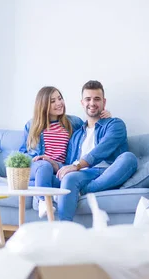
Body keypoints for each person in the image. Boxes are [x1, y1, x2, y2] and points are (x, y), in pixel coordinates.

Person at [54, 80, 139, 221]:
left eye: (97, 99)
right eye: (88, 99)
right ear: (82, 103)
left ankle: (79, 191)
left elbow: (101, 150)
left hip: (106, 171)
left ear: (104, 102)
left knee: (129, 158)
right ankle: (65, 231)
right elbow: (69, 163)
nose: (92, 103)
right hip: (81, 174)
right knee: (63, 177)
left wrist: (77, 165)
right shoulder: (76, 135)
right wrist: (52, 163)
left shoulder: (115, 124)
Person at [19, 85, 110, 217]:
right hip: (39, 165)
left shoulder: (73, 122)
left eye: (60, 98)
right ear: (43, 105)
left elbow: (91, 128)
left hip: (60, 168)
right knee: (44, 165)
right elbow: (23, 152)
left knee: (65, 177)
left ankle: (51, 190)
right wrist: (33, 161)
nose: (59, 103)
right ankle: (43, 201)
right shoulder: (32, 125)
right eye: (53, 101)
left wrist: (105, 117)